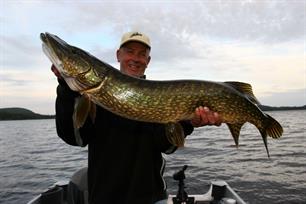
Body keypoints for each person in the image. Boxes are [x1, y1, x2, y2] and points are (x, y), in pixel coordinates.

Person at [52, 31, 222, 204]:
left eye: (142, 54)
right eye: (130, 51)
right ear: (118, 55)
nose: (136, 58)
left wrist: (189, 122)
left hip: (152, 198)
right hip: (104, 198)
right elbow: (75, 138)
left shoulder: (160, 99)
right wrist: (66, 88)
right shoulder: (91, 99)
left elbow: (167, 146)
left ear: (147, 61)